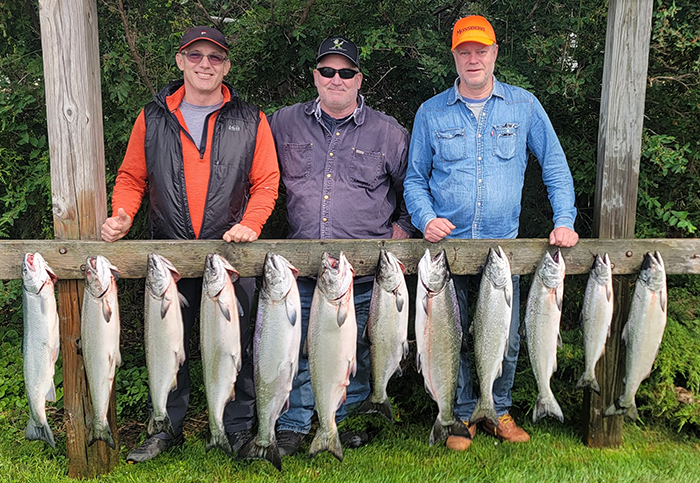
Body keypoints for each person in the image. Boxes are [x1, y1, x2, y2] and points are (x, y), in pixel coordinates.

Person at [100, 26, 280, 462]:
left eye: (215, 57)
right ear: (180, 61)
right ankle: (165, 426)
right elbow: (130, 178)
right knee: (167, 344)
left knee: (236, 345)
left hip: (231, 255)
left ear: (227, 66)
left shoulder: (250, 118)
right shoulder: (153, 116)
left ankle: (236, 428)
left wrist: (251, 225)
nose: (205, 64)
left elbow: (267, 182)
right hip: (171, 255)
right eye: (195, 55)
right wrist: (122, 214)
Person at [403, 15, 579, 451]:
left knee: (508, 334)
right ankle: (463, 413)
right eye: (465, 51)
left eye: (481, 50)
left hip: (503, 250)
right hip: (449, 252)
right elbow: (413, 179)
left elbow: (554, 165)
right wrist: (425, 218)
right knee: (453, 335)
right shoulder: (431, 112)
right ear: (455, 57)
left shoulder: (524, 106)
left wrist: (564, 219)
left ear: (495, 53)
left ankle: (498, 409)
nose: (473, 58)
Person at [268, 36, 413, 456]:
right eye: (327, 71)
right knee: (299, 349)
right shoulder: (282, 123)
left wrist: (402, 229)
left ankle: (348, 420)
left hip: (367, 270)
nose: (336, 79)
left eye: (346, 72)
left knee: (361, 349)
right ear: (315, 76)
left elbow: (416, 187)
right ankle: (294, 423)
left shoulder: (389, 132)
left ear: (358, 79)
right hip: (304, 267)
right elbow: (255, 168)